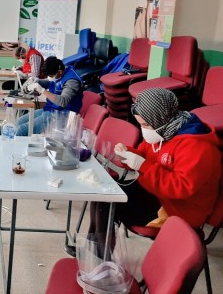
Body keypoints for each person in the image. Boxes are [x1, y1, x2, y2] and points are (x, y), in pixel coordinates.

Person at [80, 88, 221, 256]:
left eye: (145, 125)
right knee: (102, 194)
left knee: (108, 203)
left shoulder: (199, 147)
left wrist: (143, 165)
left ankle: (99, 258)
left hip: (178, 209)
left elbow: (180, 187)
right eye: (140, 124)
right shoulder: (163, 129)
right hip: (156, 193)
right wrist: (128, 154)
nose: (144, 130)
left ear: (161, 118)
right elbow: (144, 153)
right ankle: (94, 249)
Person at [0, 56, 83, 168]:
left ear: (60, 72)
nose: (50, 78)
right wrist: (37, 81)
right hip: (51, 110)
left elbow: (63, 101)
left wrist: (42, 90)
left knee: (21, 130)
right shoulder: (60, 72)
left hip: (61, 116)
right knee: (18, 122)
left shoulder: (72, 81)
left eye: (51, 76)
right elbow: (51, 83)